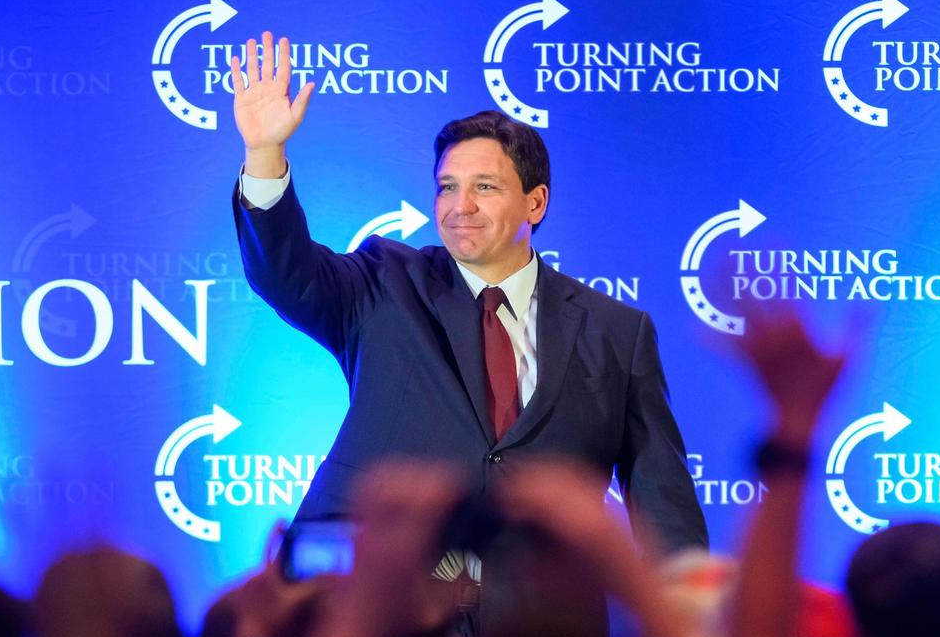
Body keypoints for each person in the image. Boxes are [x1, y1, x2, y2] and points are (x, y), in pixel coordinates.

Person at [229, 32, 707, 572]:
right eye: (447, 187)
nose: (460, 207)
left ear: (536, 201)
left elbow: (661, 496)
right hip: (382, 607)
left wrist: (688, 612)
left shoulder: (617, 331)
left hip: (537, 622)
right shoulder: (383, 282)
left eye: (484, 187)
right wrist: (264, 153)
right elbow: (285, 275)